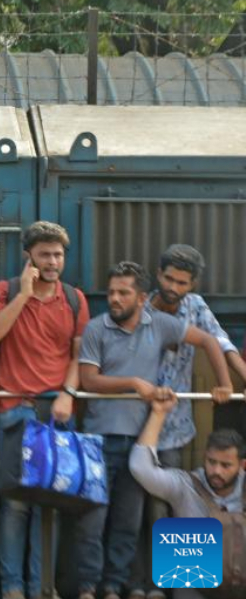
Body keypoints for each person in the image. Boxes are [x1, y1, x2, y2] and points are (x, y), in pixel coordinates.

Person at [75, 261, 233, 599]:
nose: (114, 298)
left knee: (149, 517)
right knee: (93, 521)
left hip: (158, 436)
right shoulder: (96, 327)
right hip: (102, 439)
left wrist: (224, 386)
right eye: (112, 292)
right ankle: (95, 587)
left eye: (123, 293)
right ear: (159, 278)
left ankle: (162, 588)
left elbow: (213, 340)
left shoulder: (179, 316)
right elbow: (88, 380)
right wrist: (135, 384)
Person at [0, 221, 90, 599]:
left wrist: (67, 394)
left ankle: (44, 588)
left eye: (58, 254)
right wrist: (23, 295)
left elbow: (77, 357)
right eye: (45, 254)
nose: (53, 261)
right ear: (29, 256)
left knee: (51, 506)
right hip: (14, 411)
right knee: (15, 506)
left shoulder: (74, 299)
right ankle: (12, 589)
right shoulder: (3, 291)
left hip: (56, 411)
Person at [130, 394, 245, 599]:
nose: (216, 470)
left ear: (242, 465)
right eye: (211, 462)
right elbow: (141, 469)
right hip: (193, 590)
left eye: (226, 465)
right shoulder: (186, 484)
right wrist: (158, 413)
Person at [151, 244, 246, 457]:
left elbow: (222, 342)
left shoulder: (195, 306)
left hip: (175, 422)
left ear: (193, 284)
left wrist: (233, 382)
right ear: (159, 273)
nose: (173, 287)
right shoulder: (141, 309)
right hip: (139, 417)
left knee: (169, 485)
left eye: (181, 283)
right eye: (169, 279)